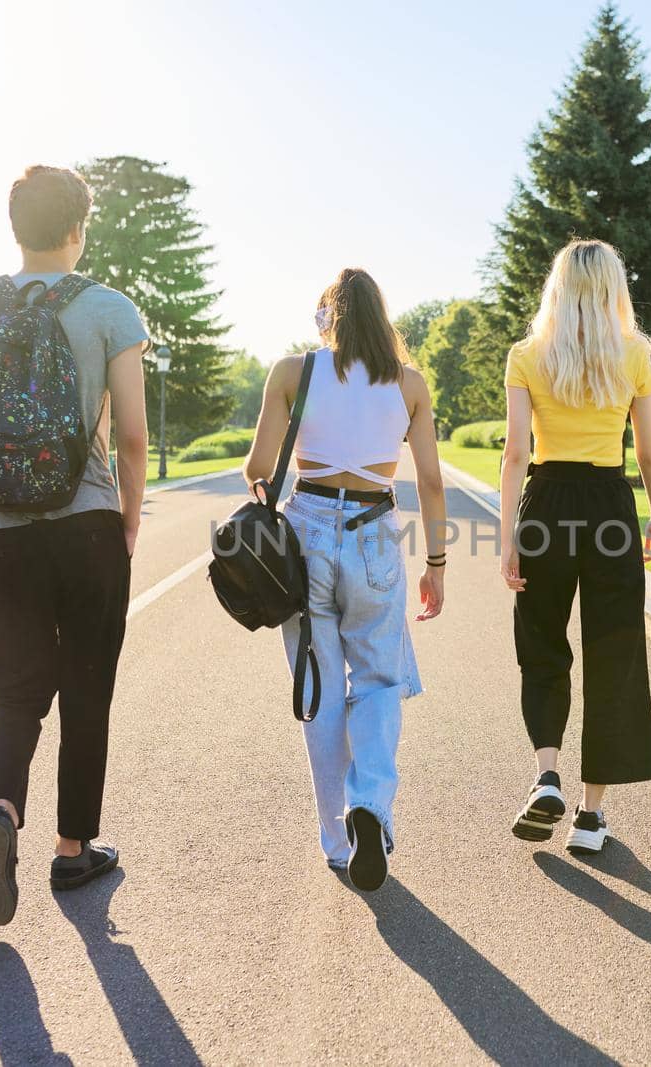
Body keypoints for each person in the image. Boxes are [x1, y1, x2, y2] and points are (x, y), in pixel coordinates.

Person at [0, 165, 151, 925]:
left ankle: (2, 811)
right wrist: (128, 518)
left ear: (14, 226)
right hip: (86, 520)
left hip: (3, 527)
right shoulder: (108, 309)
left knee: (15, 688)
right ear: (77, 230)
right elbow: (130, 435)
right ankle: (72, 850)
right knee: (86, 685)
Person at [242, 267, 447, 892]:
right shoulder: (408, 384)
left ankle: (337, 839)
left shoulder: (292, 373)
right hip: (373, 530)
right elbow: (432, 483)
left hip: (305, 530)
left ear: (328, 318)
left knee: (321, 686)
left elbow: (258, 469)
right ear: (381, 320)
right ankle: (370, 808)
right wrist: (436, 566)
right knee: (381, 676)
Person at [498, 239, 651, 857]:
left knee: (541, 644)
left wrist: (508, 537)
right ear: (612, 289)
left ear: (557, 287)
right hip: (609, 506)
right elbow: (647, 452)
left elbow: (516, 453)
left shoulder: (527, 356)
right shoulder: (633, 356)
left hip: (545, 503)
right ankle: (590, 817)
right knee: (612, 653)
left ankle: (547, 774)